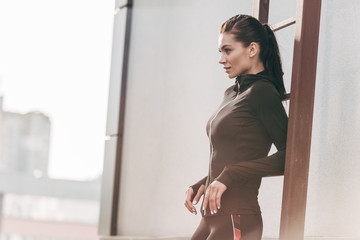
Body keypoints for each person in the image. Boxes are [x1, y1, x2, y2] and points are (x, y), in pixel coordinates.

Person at [184, 14, 288, 240]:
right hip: (210, 218)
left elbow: (289, 157)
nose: (221, 59)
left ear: (252, 49)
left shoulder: (263, 92)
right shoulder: (231, 93)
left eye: (228, 50)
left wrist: (230, 174)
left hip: (238, 217)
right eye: (220, 51)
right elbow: (235, 152)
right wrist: (206, 181)